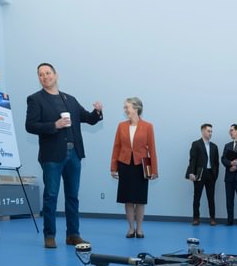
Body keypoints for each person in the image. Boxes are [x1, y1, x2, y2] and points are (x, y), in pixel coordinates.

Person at [25, 63, 103, 249]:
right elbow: (30, 126)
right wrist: (55, 125)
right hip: (52, 155)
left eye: (48, 73)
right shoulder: (35, 99)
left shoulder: (70, 99)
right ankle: (49, 235)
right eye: (41, 74)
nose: (45, 77)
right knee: (51, 195)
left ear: (55, 75)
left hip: (74, 154)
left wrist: (98, 111)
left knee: (72, 196)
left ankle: (73, 235)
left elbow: (88, 118)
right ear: (39, 78)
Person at [109, 97, 158, 238]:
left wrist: (154, 169)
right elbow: (116, 147)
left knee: (140, 199)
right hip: (124, 164)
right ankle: (131, 228)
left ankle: (140, 229)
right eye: (125, 107)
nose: (125, 110)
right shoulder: (121, 126)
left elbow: (152, 149)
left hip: (142, 165)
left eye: (127, 107)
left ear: (136, 108)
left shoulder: (148, 126)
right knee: (128, 199)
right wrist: (113, 167)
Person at [186, 123, 220, 226]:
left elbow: (216, 162)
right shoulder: (196, 144)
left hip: (211, 174)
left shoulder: (214, 146)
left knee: (211, 198)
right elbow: (193, 159)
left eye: (211, 131)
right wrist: (191, 172)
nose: (210, 133)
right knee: (197, 197)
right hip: (199, 174)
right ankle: (196, 218)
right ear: (202, 131)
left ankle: (213, 219)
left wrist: (215, 175)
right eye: (208, 131)